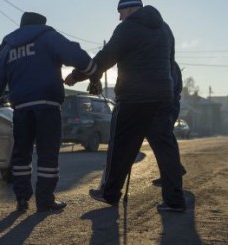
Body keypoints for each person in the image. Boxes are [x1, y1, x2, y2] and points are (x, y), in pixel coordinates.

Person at [66, 0, 186, 212]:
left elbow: (104, 58)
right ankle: (175, 200)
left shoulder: (127, 28)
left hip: (134, 97)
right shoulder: (165, 28)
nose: (120, 18)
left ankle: (109, 193)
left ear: (130, 9)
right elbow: (170, 62)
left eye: (121, 13)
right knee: (165, 146)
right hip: (162, 95)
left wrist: (76, 76)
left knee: (121, 147)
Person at [0, 12, 97, 212]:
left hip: (20, 108)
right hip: (47, 105)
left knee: (21, 155)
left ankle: (21, 199)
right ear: (40, 24)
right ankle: (45, 200)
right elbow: (75, 54)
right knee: (47, 154)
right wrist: (92, 71)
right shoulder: (48, 37)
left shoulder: (9, 47)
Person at [149, 61, 187, 187]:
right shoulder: (170, 64)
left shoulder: (168, 64)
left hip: (168, 106)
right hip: (169, 105)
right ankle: (172, 172)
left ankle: (173, 173)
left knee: (163, 140)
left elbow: (170, 88)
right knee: (162, 141)